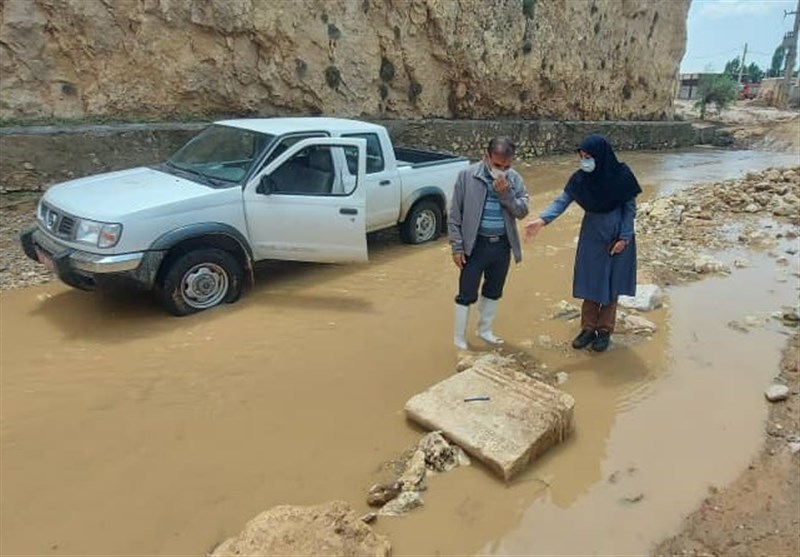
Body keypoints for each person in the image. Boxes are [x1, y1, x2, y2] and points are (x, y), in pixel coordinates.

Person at [524, 134, 641, 352]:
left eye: (589, 157)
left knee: (610, 284)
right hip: (592, 237)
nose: (585, 161)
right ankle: (588, 328)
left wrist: (624, 238)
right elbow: (562, 201)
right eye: (582, 156)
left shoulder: (622, 176)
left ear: (601, 156)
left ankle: (604, 330)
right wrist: (542, 220)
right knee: (590, 282)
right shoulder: (580, 179)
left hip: (617, 236)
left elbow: (629, 209)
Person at [448, 136, 530, 350]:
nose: (501, 170)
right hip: (474, 246)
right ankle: (459, 338)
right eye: (496, 165)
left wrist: (505, 193)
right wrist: (457, 246)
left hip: (502, 245)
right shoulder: (467, 177)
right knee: (466, 293)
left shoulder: (514, 179)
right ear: (486, 157)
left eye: (506, 166)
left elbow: (522, 212)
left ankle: (485, 330)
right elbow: (454, 215)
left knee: (494, 290)